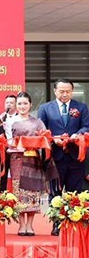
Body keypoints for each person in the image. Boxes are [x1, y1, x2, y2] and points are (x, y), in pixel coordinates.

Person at [37, 78, 89, 235]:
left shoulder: (81, 107)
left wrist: (77, 134)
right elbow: (41, 129)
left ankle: (75, 223)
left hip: (76, 157)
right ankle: (57, 224)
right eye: (61, 91)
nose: (65, 94)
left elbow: (87, 126)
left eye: (68, 91)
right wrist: (54, 138)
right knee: (55, 192)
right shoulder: (45, 108)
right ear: (55, 91)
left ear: (72, 92)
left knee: (75, 192)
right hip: (55, 157)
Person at [7, 91, 58, 236]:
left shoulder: (38, 122)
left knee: (32, 192)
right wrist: (18, 145)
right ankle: (21, 225)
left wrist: (38, 144)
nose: (22, 106)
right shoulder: (10, 121)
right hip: (17, 159)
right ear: (16, 105)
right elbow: (8, 141)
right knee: (19, 191)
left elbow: (45, 139)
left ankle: (30, 225)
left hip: (33, 160)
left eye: (25, 103)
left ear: (30, 105)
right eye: (19, 103)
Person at [0, 94, 17, 191]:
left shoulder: (20, 117)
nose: (9, 105)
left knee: (16, 174)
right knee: (3, 174)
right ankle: (2, 195)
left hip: (16, 150)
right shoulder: (0, 117)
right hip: (4, 150)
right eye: (7, 103)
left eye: (11, 103)